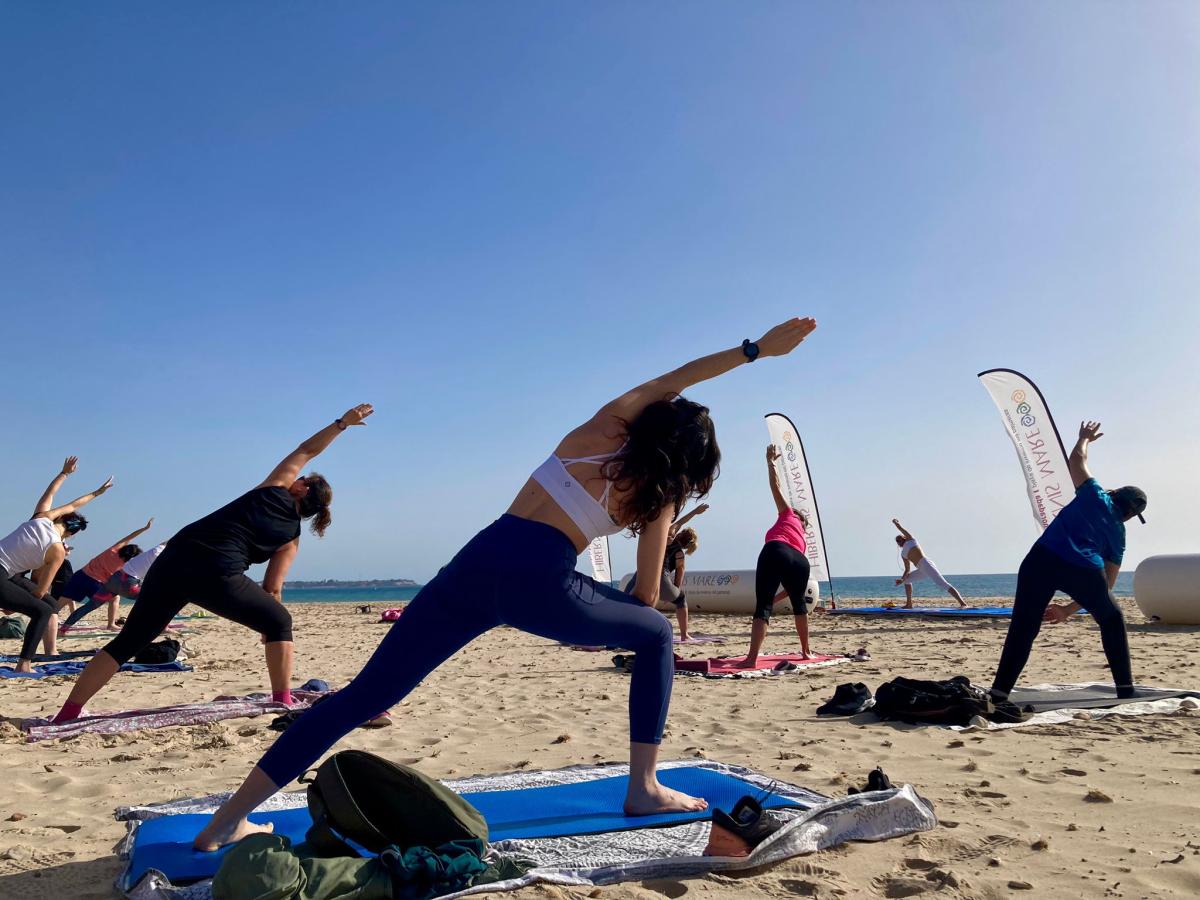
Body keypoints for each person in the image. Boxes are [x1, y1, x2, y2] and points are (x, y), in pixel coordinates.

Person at [192, 318, 817, 852]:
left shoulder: (602, 428)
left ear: (656, 417)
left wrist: (756, 350)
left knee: (363, 696)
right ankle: (644, 787)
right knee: (654, 634)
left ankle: (225, 822)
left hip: (477, 560)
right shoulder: (658, 497)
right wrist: (597, 613)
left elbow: (674, 377)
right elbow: (647, 601)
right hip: (543, 578)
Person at [51, 405, 373, 723]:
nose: (297, 478)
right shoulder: (291, 538)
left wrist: (342, 423)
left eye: (301, 478)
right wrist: (269, 627)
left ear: (303, 488)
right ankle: (282, 699)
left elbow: (306, 450)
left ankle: (68, 713)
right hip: (216, 573)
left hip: (172, 561)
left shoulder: (273, 487)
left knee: (129, 641)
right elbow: (272, 589)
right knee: (280, 621)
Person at [990, 421, 1146, 701]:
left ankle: (999, 692)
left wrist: (1084, 438)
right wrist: (1068, 610)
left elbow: (1077, 460)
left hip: (1040, 561)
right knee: (1112, 619)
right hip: (1083, 571)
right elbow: (1108, 583)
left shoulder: (1095, 494)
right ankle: (1125, 689)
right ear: (1130, 515)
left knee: (1024, 626)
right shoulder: (1118, 534)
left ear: (1115, 493)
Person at [0, 457, 113, 673]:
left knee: (46, 605)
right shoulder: (58, 551)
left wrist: (65, 473)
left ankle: (44, 652)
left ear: (59, 518)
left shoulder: (40, 518)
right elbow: (40, 591)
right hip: (2, 575)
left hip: (6, 574)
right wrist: (14, 604)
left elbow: (62, 499)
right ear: (72, 534)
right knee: (42, 611)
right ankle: (24, 664)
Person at [737, 445, 815, 667]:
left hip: (776, 550)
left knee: (762, 607)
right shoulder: (802, 540)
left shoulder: (788, 514)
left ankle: (751, 659)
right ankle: (806, 651)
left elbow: (776, 487)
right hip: (800, 562)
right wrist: (776, 598)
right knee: (800, 605)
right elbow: (791, 589)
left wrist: (770, 462)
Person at [625, 503, 707, 640]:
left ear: (680, 534)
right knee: (681, 599)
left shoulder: (666, 535)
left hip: (641, 573)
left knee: (626, 601)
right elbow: (678, 581)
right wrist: (671, 595)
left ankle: (621, 632)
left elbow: (680, 522)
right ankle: (684, 635)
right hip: (661, 579)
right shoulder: (680, 556)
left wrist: (695, 511)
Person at [55, 518, 154, 619]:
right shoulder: (127, 566)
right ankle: (111, 624)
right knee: (115, 598)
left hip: (80, 576)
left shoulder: (113, 550)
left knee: (60, 603)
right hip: (95, 583)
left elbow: (130, 537)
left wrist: (144, 529)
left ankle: (48, 619)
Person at [60, 541, 168, 630]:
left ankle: (64, 628)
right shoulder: (164, 558)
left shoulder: (157, 549)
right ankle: (162, 627)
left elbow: (167, 542)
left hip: (113, 581)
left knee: (89, 606)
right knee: (155, 600)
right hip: (128, 583)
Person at [891, 519, 967, 608]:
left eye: (899, 539)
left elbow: (900, 528)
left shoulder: (911, 540)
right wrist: (902, 579)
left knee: (942, 584)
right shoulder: (903, 554)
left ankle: (963, 603)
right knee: (907, 580)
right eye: (897, 540)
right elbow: (907, 569)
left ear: (904, 537)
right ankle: (909, 604)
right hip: (921, 568)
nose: (899, 541)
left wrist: (896, 523)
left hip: (926, 564)